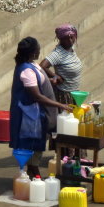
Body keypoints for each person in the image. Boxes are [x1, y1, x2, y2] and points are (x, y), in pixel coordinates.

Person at [9, 37, 72, 178]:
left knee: (39, 140)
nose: (39, 51)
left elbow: (38, 81)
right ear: (32, 53)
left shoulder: (31, 64)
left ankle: (33, 171)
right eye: (38, 49)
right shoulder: (26, 71)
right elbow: (36, 96)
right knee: (33, 142)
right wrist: (60, 105)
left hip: (36, 113)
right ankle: (33, 171)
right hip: (30, 114)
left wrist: (50, 80)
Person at [40, 24, 83, 106]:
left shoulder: (71, 49)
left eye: (72, 37)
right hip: (64, 95)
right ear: (60, 39)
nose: (70, 41)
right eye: (66, 39)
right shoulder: (57, 53)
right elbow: (42, 66)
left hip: (74, 92)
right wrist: (55, 76)